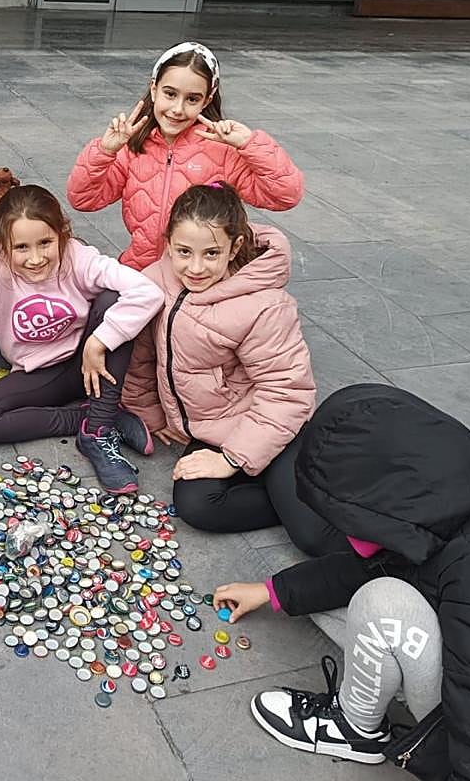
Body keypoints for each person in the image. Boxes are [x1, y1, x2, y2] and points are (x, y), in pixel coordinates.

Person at [213, 384, 470, 776]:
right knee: (325, 603)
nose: (341, 528)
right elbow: (376, 565)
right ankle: (387, 678)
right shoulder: (452, 499)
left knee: (380, 602)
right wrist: (273, 591)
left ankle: (354, 729)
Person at [122, 182, 345, 557]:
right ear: (168, 243)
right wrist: (151, 413)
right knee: (198, 506)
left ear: (235, 247)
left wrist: (231, 459)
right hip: (211, 426)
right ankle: (296, 488)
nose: (196, 267)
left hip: (265, 422)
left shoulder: (265, 305)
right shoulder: (155, 280)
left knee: (314, 537)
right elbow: (140, 357)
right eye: (184, 252)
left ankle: (333, 493)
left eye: (212, 253)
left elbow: (286, 392)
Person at [0, 181, 162, 493]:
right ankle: (94, 416)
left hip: (89, 363)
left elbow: (147, 291)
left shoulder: (77, 257)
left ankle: (97, 431)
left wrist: (100, 341)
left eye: (45, 243)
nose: (36, 258)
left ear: (61, 234)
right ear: (2, 245)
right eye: (21, 248)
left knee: (113, 300)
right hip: (39, 374)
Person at [66, 41, 303, 271]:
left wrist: (251, 144)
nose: (178, 109)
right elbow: (83, 199)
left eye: (192, 99)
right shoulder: (133, 147)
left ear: (207, 100)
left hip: (201, 277)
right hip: (143, 272)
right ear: (154, 88)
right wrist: (104, 151)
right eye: (170, 94)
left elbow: (285, 195)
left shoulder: (223, 151)